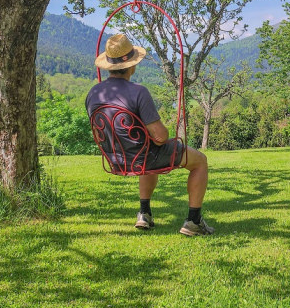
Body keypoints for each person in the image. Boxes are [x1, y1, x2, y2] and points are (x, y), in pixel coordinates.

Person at [86, 33, 214, 236]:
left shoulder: (93, 93)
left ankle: (144, 214)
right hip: (142, 156)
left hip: (116, 159)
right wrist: (157, 133)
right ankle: (194, 221)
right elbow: (161, 136)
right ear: (132, 65)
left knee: (145, 151)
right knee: (199, 161)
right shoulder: (138, 92)